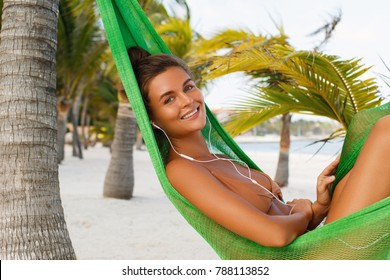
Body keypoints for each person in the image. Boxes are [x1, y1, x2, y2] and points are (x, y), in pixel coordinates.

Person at [127, 46, 390, 247]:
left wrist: (319, 207)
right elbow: (275, 235)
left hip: (317, 241)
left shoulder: (221, 158)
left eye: (189, 87)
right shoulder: (182, 170)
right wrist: (301, 210)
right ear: (152, 117)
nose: (187, 101)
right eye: (169, 99)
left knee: (363, 140)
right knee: (385, 132)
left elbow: (287, 221)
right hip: (310, 261)